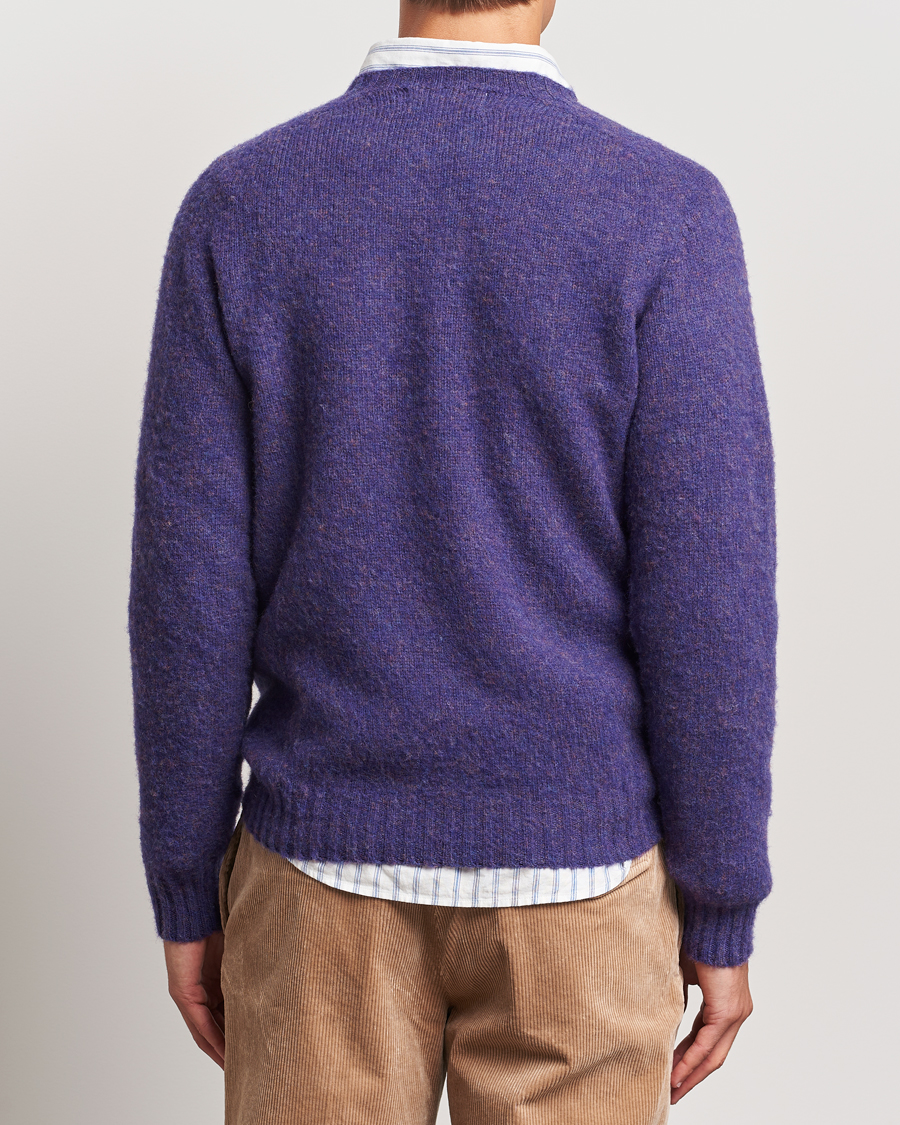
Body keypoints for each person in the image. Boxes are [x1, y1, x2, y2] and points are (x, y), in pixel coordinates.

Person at [127, 0, 777, 1121]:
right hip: (580, 886)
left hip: (316, 876)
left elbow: (187, 596)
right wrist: (721, 901)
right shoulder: (667, 213)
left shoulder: (242, 205)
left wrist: (188, 887)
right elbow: (711, 596)